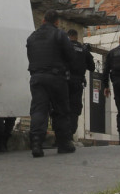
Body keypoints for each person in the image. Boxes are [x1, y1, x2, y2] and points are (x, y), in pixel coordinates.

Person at [25, 10, 79, 157]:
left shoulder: (32, 37)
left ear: (43, 20)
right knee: (61, 110)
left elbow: (30, 56)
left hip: (36, 77)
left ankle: (36, 143)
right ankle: (63, 144)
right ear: (56, 22)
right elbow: (71, 56)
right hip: (56, 78)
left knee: (38, 110)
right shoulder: (60, 34)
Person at [65, 29, 96, 141]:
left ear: (68, 37)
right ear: (77, 37)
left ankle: (60, 137)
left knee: (62, 108)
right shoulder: (83, 49)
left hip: (64, 82)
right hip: (78, 82)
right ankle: (70, 135)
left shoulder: (65, 47)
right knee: (75, 109)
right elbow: (92, 67)